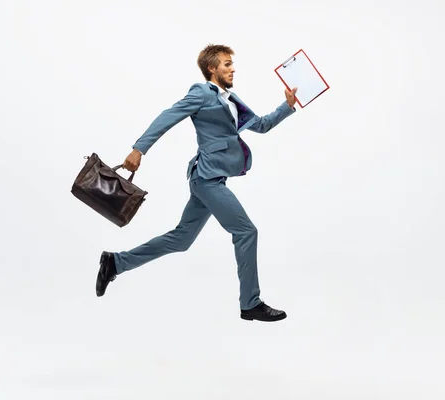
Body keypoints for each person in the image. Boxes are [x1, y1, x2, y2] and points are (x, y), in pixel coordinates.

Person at [95, 44, 297, 322]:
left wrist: (286, 106)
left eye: (232, 64)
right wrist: (139, 149)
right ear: (212, 69)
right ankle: (250, 303)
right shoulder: (201, 93)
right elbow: (168, 116)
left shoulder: (230, 99)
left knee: (181, 239)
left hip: (210, 178)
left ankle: (116, 262)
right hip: (207, 179)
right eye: (227, 64)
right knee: (246, 231)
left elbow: (260, 125)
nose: (233, 68)